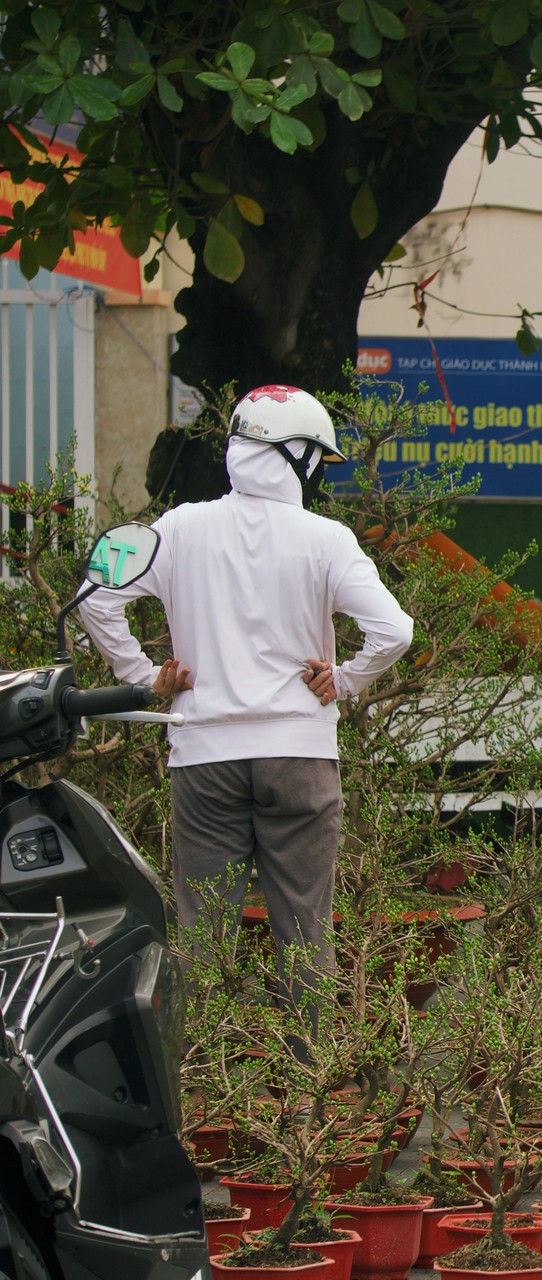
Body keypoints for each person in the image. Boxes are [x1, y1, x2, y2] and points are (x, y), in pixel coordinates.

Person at [80, 386, 415, 1012]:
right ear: (299, 457)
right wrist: (344, 679)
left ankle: (202, 1088)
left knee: (203, 940)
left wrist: (146, 675)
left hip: (203, 756)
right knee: (305, 936)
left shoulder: (179, 527)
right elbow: (396, 632)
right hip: (301, 755)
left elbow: (97, 600)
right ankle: (309, 1094)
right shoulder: (328, 538)